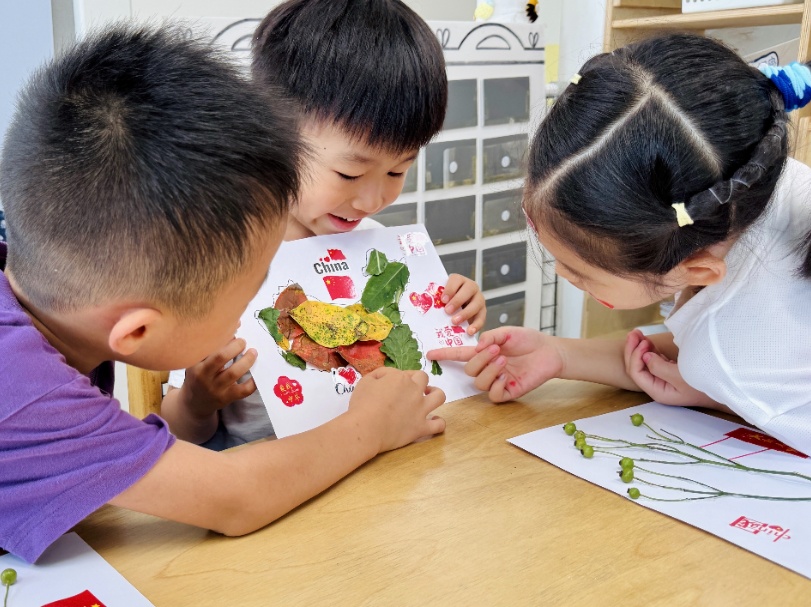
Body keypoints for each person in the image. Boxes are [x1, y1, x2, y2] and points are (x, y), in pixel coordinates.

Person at [0, 25, 446, 564]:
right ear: (138, 332)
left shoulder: (47, 304)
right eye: (247, 297)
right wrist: (370, 426)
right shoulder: (27, 395)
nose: (252, 310)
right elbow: (235, 497)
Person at [429, 33, 811, 454]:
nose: (561, 273)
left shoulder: (730, 355)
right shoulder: (751, 180)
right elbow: (726, 340)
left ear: (698, 269)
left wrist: (719, 394)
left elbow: (730, 350)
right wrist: (559, 354)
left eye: (582, 274)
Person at [161, 0, 486, 449]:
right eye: (349, 174)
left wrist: (454, 311)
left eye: (398, 171)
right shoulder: (218, 264)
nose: (373, 199)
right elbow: (176, 437)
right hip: (265, 472)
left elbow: (433, 378)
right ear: (271, 138)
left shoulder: (379, 252)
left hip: (386, 464)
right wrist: (197, 403)